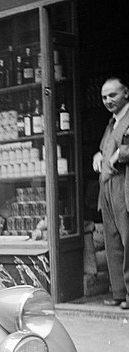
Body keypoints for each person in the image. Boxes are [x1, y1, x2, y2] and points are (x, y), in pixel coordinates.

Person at [93, 76, 129, 308]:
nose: (108, 100)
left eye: (112, 95)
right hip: (106, 185)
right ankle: (119, 292)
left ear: (125, 92)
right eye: (105, 97)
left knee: (127, 239)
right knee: (112, 239)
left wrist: (121, 154)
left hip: (123, 183)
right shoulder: (112, 122)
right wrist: (99, 155)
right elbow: (105, 148)